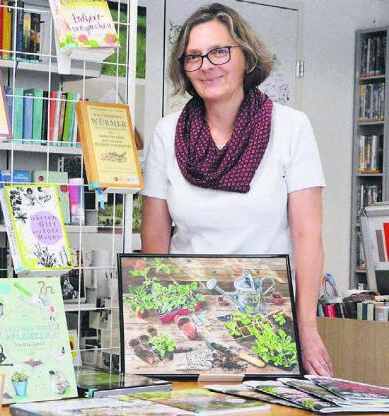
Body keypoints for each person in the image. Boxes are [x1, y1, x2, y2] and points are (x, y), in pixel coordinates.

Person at [140, 3, 332, 376]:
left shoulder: (291, 127)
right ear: (184, 69)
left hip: (266, 322)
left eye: (219, 52)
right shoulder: (167, 133)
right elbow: (155, 238)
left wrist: (306, 327)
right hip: (189, 321)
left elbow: (309, 238)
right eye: (193, 56)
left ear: (246, 56)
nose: (206, 65)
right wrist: (156, 321)